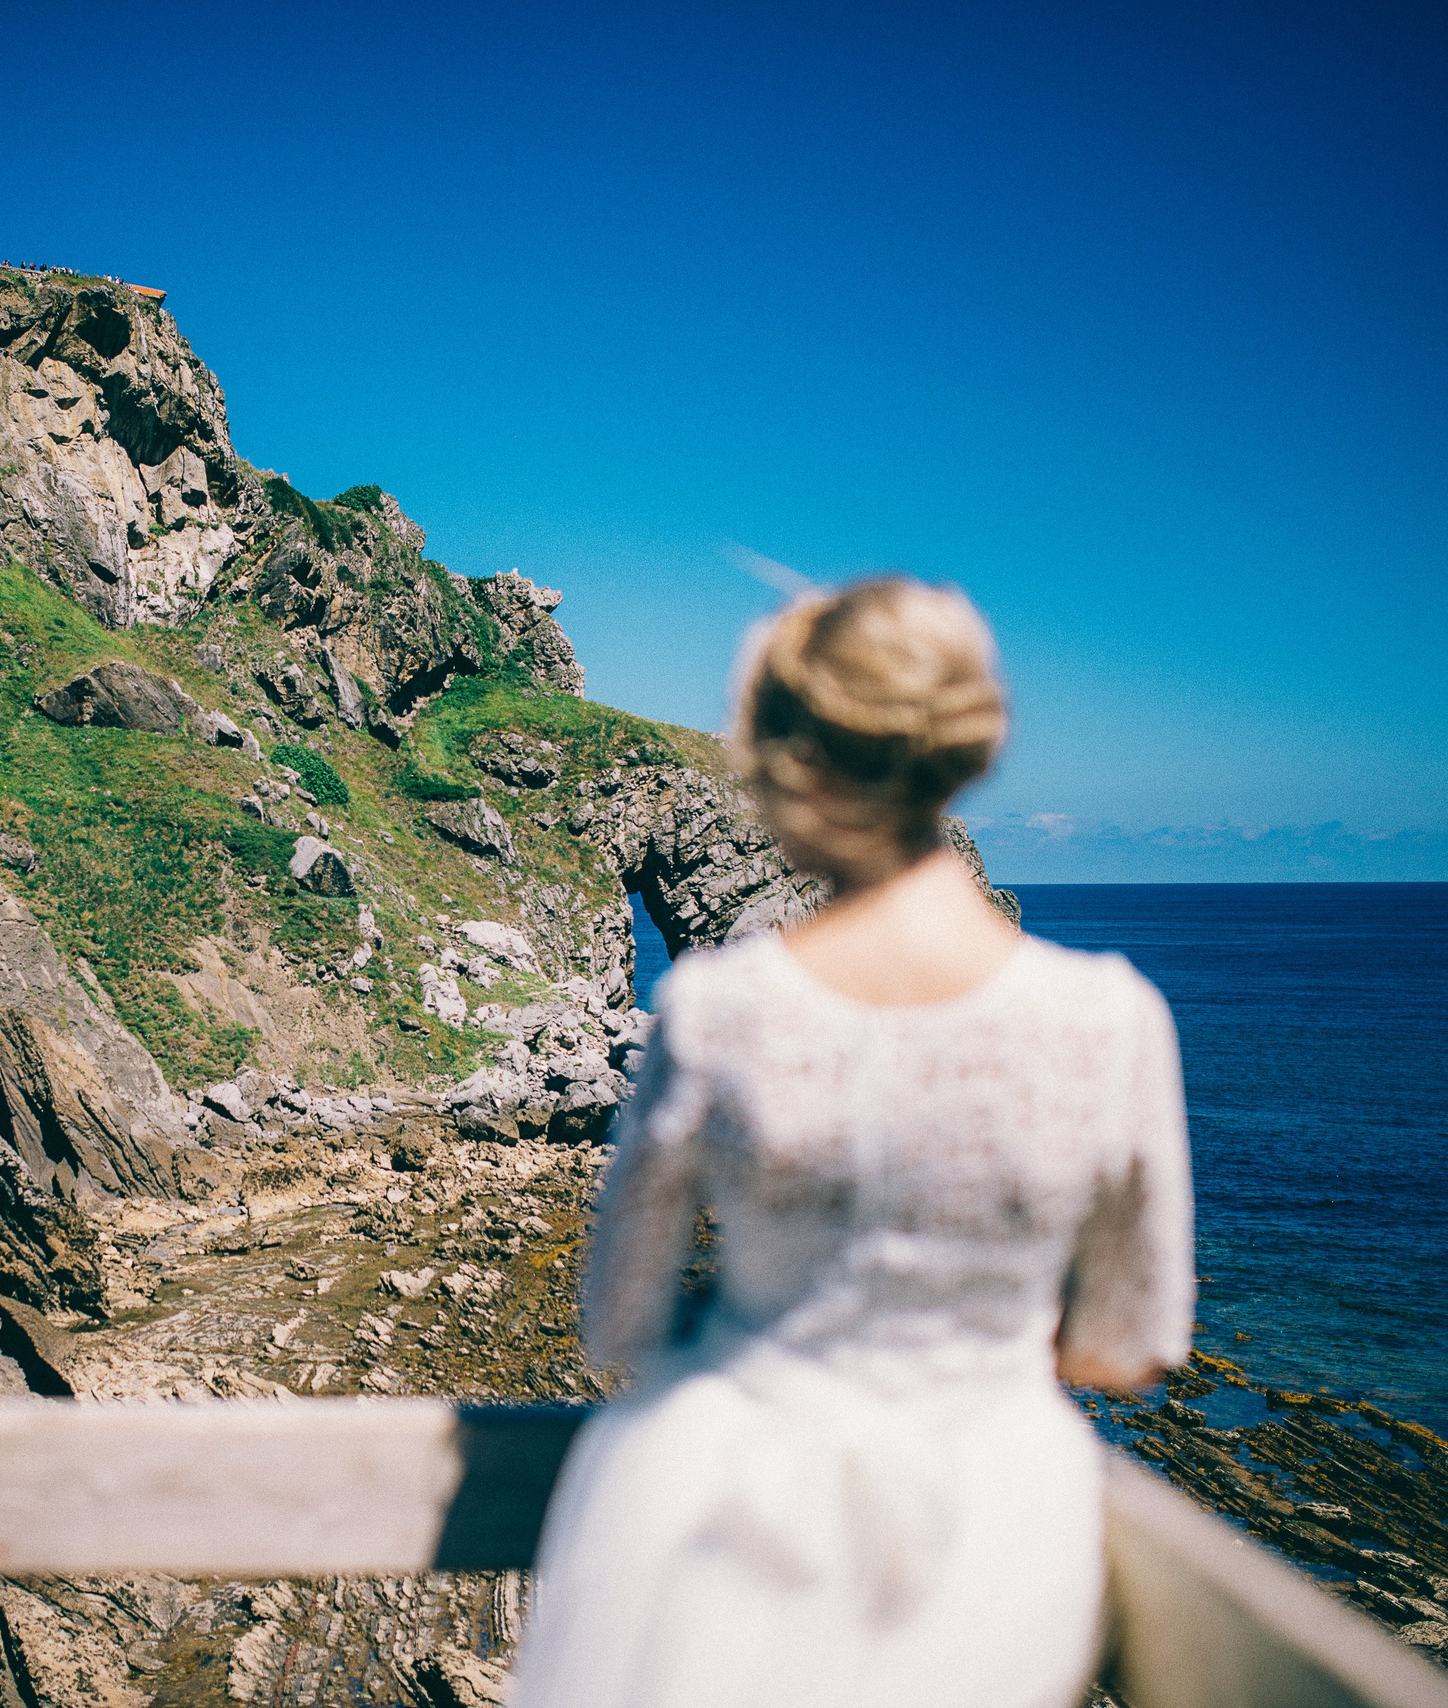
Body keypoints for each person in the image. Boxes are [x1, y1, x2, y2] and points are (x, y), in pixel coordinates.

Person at [509, 579, 1192, 1708]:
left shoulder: (719, 1010)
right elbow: (1128, 1343)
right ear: (963, 748)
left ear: (788, 759)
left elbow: (616, 1319)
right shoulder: (1111, 1018)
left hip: (731, 1510)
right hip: (992, 1525)